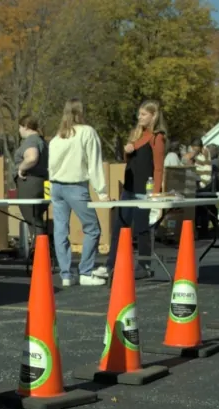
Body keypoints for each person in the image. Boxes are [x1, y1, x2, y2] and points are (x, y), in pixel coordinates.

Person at [96, 100, 167, 279]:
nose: (140, 117)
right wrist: (128, 151)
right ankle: (111, 264)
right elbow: (130, 162)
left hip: (144, 189)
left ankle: (144, 265)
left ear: (153, 116)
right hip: (128, 188)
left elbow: (158, 167)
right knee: (119, 226)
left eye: (144, 114)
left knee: (141, 228)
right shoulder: (136, 135)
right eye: (139, 114)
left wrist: (155, 193)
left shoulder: (157, 137)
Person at [47, 98, 110, 287]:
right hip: (75, 186)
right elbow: (94, 163)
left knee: (60, 230)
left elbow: (51, 165)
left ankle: (66, 274)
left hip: (56, 186)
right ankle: (85, 271)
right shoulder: (87, 132)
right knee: (92, 228)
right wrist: (102, 192)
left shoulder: (58, 137)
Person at [12, 115, 49, 257]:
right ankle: (41, 250)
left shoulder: (31, 140)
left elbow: (32, 157)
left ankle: (39, 253)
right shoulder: (41, 140)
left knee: (32, 218)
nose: (19, 130)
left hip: (30, 183)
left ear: (26, 127)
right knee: (37, 217)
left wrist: (21, 168)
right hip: (43, 183)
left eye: (20, 127)